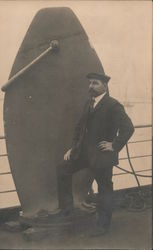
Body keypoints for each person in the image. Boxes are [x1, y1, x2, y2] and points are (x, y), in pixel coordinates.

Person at [53, 72, 134, 236]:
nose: (91, 86)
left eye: (95, 83)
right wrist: (73, 148)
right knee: (62, 169)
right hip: (84, 154)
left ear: (105, 86)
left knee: (104, 188)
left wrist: (114, 145)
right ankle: (67, 210)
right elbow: (79, 128)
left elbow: (128, 128)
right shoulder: (89, 103)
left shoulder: (113, 105)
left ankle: (103, 226)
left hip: (102, 156)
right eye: (90, 83)